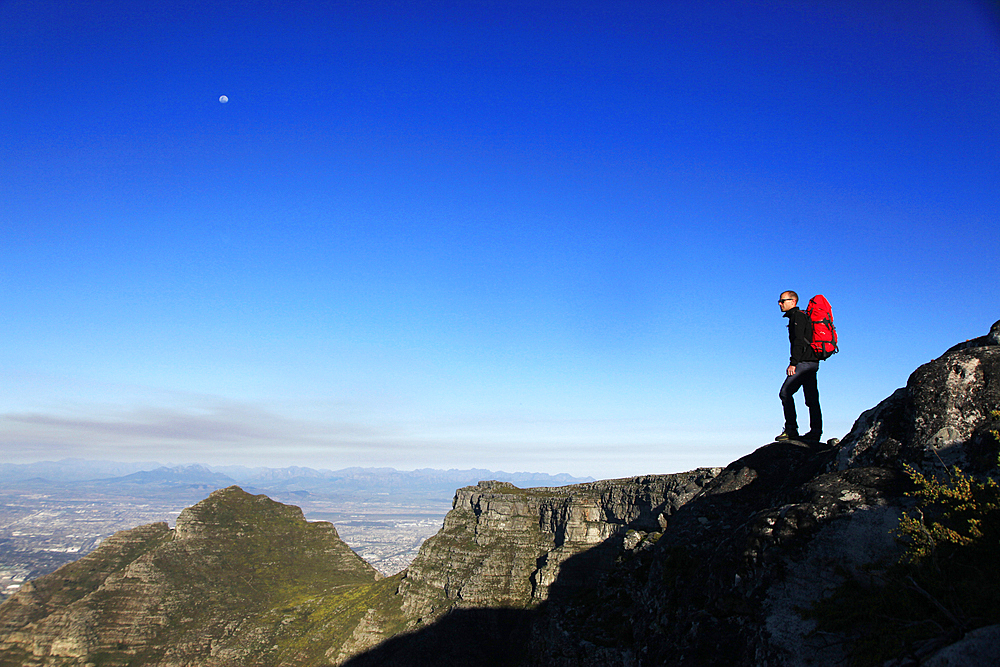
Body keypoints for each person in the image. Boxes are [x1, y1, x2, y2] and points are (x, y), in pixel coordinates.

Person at [777, 291, 822, 442]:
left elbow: (798, 341)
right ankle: (816, 431)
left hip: (803, 362)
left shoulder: (797, 316)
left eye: (783, 300)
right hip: (812, 362)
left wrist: (793, 363)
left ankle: (791, 429)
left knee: (785, 392)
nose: (780, 303)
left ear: (793, 301)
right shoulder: (801, 316)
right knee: (811, 397)